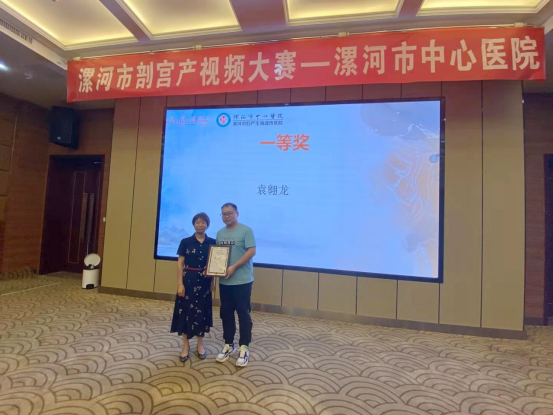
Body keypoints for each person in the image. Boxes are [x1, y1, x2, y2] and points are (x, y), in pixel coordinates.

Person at [170, 212, 216, 362]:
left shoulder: (212, 242)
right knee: (185, 312)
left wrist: (213, 281)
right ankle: (185, 346)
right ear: (193, 224)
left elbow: (214, 264)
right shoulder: (185, 242)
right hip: (188, 281)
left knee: (202, 313)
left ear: (207, 224)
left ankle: (200, 345)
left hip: (204, 282)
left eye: (203, 222)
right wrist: (180, 283)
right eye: (197, 222)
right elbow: (180, 264)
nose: (200, 225)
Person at [215, 203, 256, 367]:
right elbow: (218, 256)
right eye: (223, 214)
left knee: (243, 314)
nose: (226, 216)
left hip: (243, 281)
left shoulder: (246, 230)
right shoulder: (220, 233)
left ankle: (244, 347)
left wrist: (234, 267)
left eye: (229, 213)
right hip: (225, 281)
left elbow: (251, 251)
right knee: (226, 313)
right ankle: (228, 344)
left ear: (237, 214)